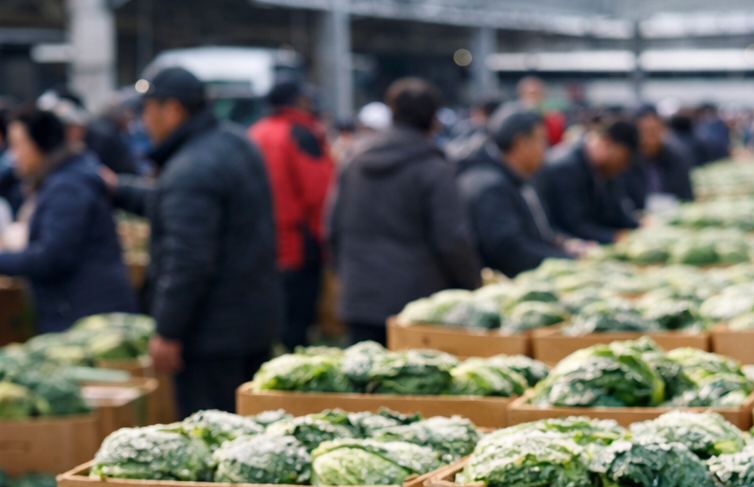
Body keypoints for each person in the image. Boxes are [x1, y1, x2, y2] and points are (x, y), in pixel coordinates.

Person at [110, 68, 279, 415]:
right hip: (253, 321)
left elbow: (188, 260)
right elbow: (175, 206)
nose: (143, 121)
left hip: (211, 336)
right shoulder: (235, 142)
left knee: (214, 434)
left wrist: (168, 331)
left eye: (147, 110)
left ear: (171, 109)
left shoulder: (190, 168)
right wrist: (119, 190)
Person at [329, 77, 480, 346]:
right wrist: (472, 287)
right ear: (434, 120)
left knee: (364, 381)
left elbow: (332, 228)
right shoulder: (434, 168)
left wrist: (347, 277)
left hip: (361, 297)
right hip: (417, 306)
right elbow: (452, 240)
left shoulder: (354, 162)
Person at [0, 106, 134, 332]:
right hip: (79, 309)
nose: (14, 155)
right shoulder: (62, 178)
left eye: (18, 144)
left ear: (41, 144)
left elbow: (53, 256)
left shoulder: (67, 186)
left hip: (88, 315)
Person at [250, 80, 333, 351]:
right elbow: (320, 194)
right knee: (296, 326)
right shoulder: (302, 133)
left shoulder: (254, 133)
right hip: (298, 246)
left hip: (259, 245)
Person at [455, 105, 576, 278]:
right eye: (541, 140)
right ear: (521, 143)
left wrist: (562, 244)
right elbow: (510, 252)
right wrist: (567, 260)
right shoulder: (489, 185)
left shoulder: (514, 176)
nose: (546, 148)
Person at [536, 119, 640, 244]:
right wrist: (616, 237)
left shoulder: (605, 172)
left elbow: (615, 213)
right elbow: (574, 225)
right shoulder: (565, 168)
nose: (624, 167)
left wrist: (637, 227)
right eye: (625, 158)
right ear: (607, 142)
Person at [620, 105, 693, 211]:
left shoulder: (677, 158)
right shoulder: (629, 162)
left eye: (654, 131)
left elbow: (686, 196)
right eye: (644, 132)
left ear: (663, 130)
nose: (650, 137)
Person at [517, 76, 566, 146]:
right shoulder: (512, 116)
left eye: (537, 94)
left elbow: (558, 144)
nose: (533, 98)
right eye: (530, 94)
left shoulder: (552, 120)